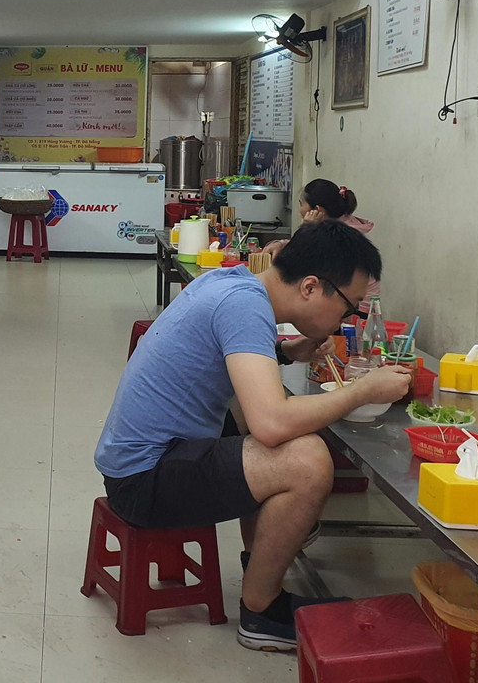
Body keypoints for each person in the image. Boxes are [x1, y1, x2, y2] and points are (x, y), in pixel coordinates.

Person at [94, 220, 410, 651]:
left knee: (258, 426)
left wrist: (285, 350)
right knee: (306, 459)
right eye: (349, 307)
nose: (345, 320)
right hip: (144, 478)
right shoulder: (244, 307)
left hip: (142, 459)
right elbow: (272, 423)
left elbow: (228, 360)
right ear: (312, 287)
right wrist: (363, 391)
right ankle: (262, 609)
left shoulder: (234, 283)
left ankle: (263, 560)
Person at [262, 179, 379, 305]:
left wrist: (307, 229)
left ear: (317, 210)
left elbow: (295, 260)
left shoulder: (341, 236)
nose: (300, 211)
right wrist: (281, 244)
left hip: (355, 310)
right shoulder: (335, 225)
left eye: (301, 204)